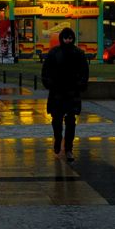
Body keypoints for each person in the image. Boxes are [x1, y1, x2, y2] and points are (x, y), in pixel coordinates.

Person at [41, 27, 89, 162]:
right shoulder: (54, 53)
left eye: (70, 38)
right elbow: (46, 71)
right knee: (56, 119)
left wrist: (80, 84)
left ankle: (68, 148)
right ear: (62, 38)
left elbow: (84, 71)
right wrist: (49, 83)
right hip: (57, 91)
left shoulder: (78, 53)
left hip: (72, 91)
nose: (68, 40)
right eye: (66, 38)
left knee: (71, 121)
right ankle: (58, 139)